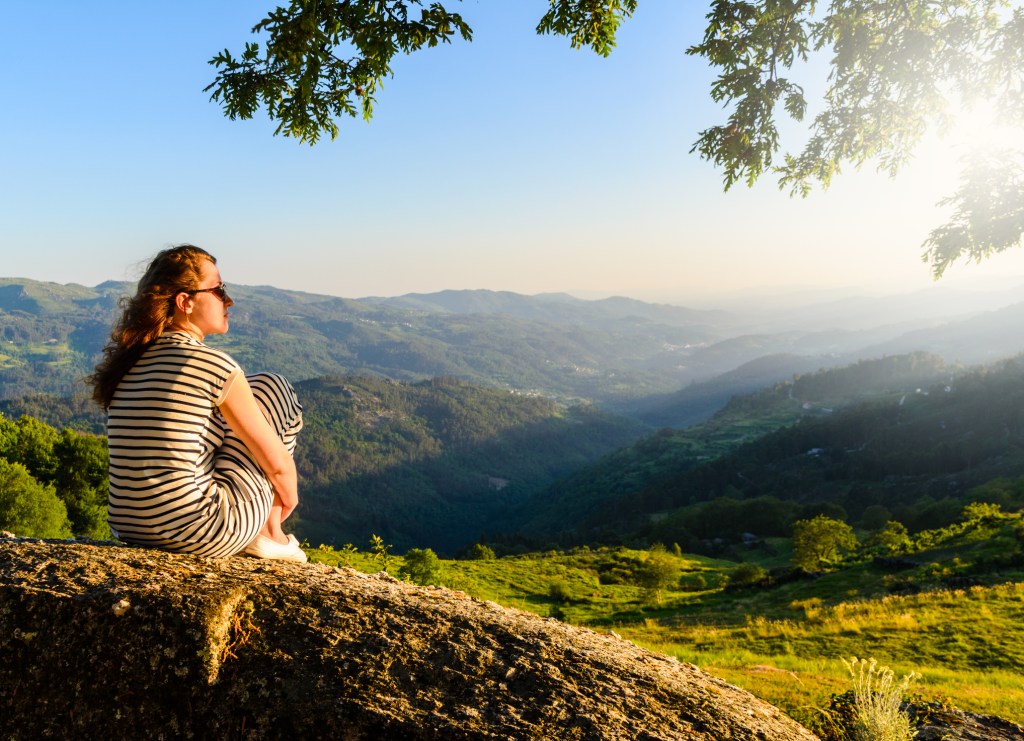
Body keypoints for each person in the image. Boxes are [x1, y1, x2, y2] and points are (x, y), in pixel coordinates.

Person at [89, 244, 307, 562]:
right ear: (185, 302)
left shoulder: (128, 364)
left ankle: (263, 530)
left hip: (130, 528)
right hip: (204, 531)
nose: (228, 300)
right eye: (219, 290)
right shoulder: (213, 365)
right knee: (273, 387)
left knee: (252, 393)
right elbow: (277, 466)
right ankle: (270, 533)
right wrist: (285, 501)